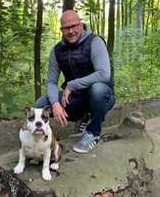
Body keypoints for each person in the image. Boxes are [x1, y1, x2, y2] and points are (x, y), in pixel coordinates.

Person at [36, 9, 115, 153]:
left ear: (80, 25)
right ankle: (48, 141)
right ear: (61, 30)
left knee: (98, 89)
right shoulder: (57, 51)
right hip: (76, 99)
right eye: (66, 28)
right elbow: (52, 82)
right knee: (41, 104)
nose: (71, 31)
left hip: (101, 98)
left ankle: (93, 133)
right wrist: (54, 103)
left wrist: (72, 84)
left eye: (74, 26)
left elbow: (104, 75)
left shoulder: (95, 42)